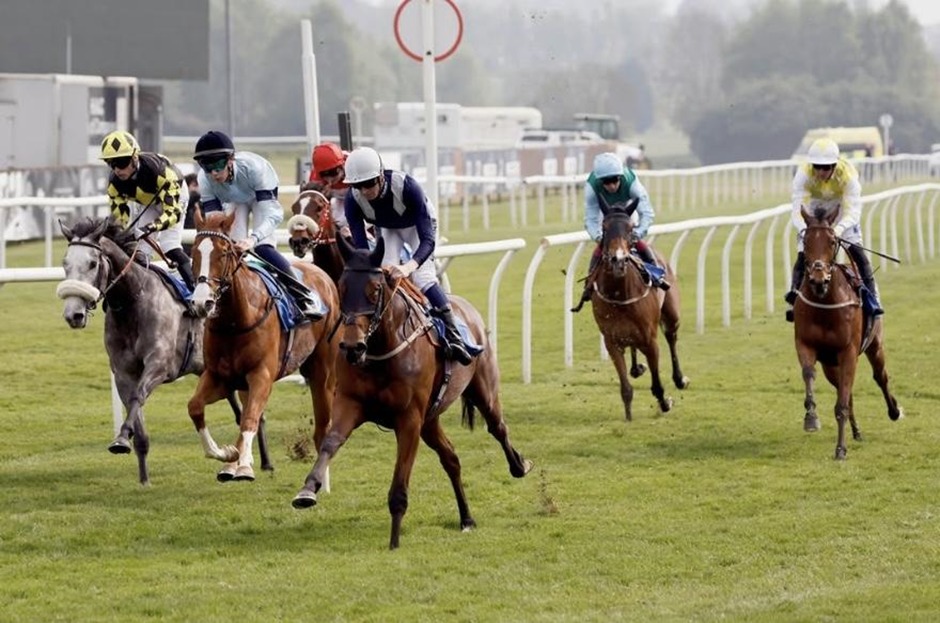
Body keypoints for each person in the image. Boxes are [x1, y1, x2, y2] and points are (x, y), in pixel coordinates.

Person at [342, 146, 473, 365]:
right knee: (384, 278)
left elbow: (428, 241)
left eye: (369, 183)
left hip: (417, 227)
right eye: (358, 185)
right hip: (387, 229)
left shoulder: (407, 187)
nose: (364, 191)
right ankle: (376, 333)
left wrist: (408, 267)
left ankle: (453, 334)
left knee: (422, 278)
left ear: (381, 176)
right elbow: (362, 249)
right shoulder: (352, 200)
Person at [192, 130, 322, 320]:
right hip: (234, 200)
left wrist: (252, 239)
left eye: (218, 164)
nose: (213, 173)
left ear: (230, 160)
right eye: (206, 166)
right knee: (228, 248)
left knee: (262, 248)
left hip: (260, 195)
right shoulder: (205, 180)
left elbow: (272, 214)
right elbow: (215, 220)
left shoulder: (255, 169)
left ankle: (303, 295)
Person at [785, 137, 883, 322]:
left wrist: (838, 230)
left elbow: (852, 211)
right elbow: (798, 210)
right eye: (817, 167)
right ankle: (794, 299)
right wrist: (806, 231)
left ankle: (872, 300)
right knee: (803, 255)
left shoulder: (848, 176)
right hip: (813, 212)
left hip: (841, 212)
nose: (821, 171)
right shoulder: (803, 174)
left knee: (859, 256)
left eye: (826, 167)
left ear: (834, 165)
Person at [571, 151, 668, 313]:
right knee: (602, 246)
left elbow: (647, 213)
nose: (611, 186)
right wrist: (599, 237)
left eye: (614, 180)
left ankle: (656, 274)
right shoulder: (591, 188)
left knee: (634, 240)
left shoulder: (631, 183)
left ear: (620, 177)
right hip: (606, 213)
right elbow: (590, 219)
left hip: (628, 210)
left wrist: (638, 233)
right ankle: (589, 285)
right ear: (600, 181)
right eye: (606, 182)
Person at [99, 130, 195, 291]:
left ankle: (197, 291)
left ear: (134, 157)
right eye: (111, 163)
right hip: (148, 202)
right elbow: (119, 220)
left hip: (174, 196)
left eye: (121, 162)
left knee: (169, 245)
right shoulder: (114, 184)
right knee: (141, 252)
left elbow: (172, 214)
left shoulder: (159, 172)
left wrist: (151, 227)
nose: (116, 170)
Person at [308, 142, 352, 240]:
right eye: (323, 175)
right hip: (336, 200)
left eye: (333, 173)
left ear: (342, 165)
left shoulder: (353, 164)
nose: (329, 179)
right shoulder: (315, 177)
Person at [181, 172, 200, 256]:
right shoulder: (184, 204)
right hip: (186, 247)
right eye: (195, 185)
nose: (198, 188)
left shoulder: (202, 205)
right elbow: (193, 197)